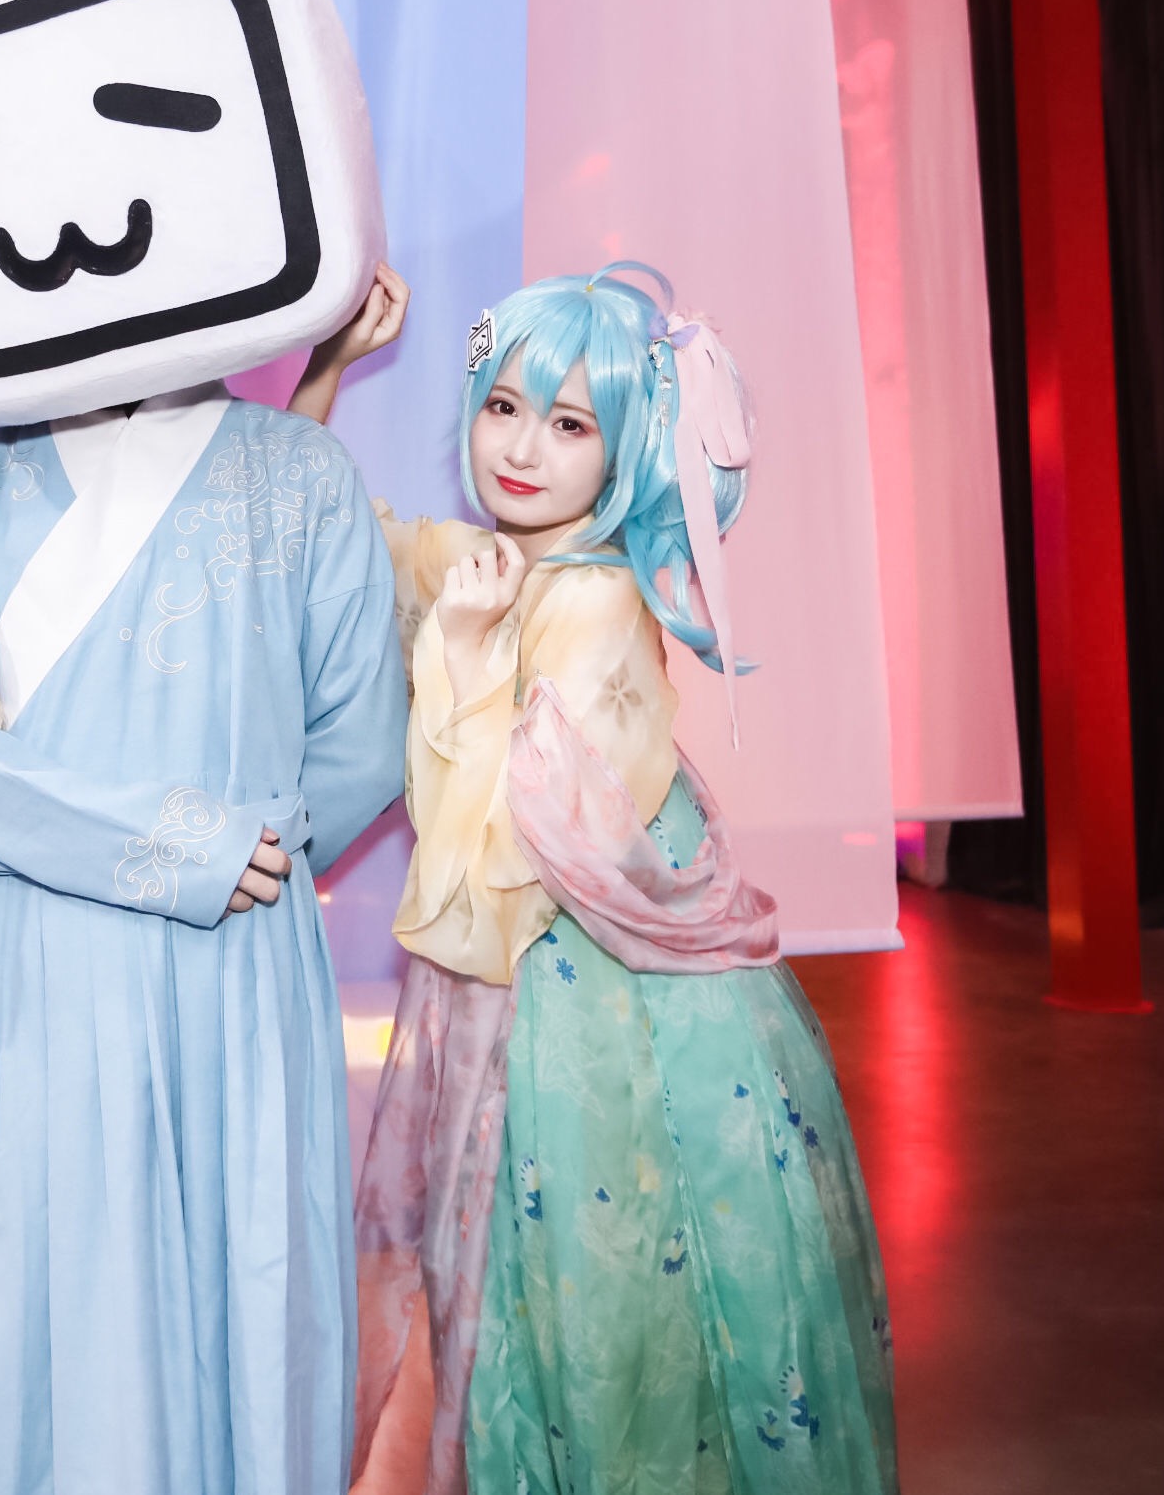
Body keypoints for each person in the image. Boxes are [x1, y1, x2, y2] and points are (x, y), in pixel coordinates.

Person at [293, 265, 898, 1495]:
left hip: (597, 1026)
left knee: (601, 1308)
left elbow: (515, 856)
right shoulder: (489, 560)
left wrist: (464, 654)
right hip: (519, 1000)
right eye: (503, 406)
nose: (522, 448)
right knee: (518, 1303)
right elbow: (316, 528)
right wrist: (328, 367)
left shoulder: (600, 602)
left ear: (624, 448)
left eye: (570, 423)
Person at [0, 377, 409, 1493]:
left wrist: (233, 857)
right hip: (97, 950)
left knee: (211, 1269)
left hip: (203, 937)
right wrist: (199, 845)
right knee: (67, 1281)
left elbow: (365, 739)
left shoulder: (297, 470)